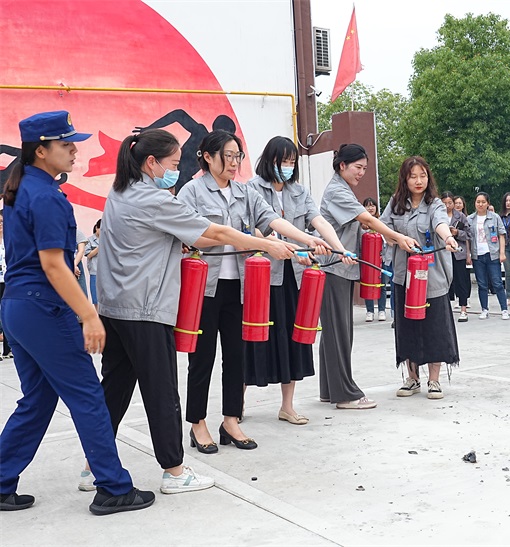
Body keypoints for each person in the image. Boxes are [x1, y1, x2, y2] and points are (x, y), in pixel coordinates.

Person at [95, 128, 297, 493]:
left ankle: (95, 465)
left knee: (114, 390)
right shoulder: (155, 198)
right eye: (173, 164)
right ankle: (174, 471)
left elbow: (197, 237)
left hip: (115, 307)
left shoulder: (119, 191)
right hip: (145, 307)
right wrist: (266, 245)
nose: (176, 170)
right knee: (162, 391)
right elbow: (215, 234)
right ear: (151, 162)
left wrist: (275, 242)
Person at [0, 111, 154, 514]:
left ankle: (0, 481)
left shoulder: (22, 189)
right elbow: (53, 265)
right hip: (44, 308)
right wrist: (88, 314)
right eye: (65, 144)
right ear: (41, 150)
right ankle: (114, 487)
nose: (74, 149)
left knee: (37, 399)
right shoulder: (45, 196)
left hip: (18, 309)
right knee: (88, 396)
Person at [177, 132, 331, 446]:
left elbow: (271, 219)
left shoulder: (244, 192)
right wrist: (258, 243)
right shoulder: (191, 192)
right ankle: (198, 424)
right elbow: (194, 236)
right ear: (207, 156)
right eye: (228, 156)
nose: (234, 163)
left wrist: (307, 239)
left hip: (242, 289)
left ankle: (231, 421)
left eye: (238, 157)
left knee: (237, 356)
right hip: (204, 290)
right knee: (202, 358)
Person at [243, 136, 351, 426]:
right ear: (270, 161)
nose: (288, 167)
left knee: (292, 340)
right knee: (251, 339)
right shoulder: (251, 189)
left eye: (292, 162)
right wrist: (289, 248)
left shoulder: (300, 192)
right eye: (283, 161)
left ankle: (287, 406)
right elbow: (254, 229)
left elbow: (318, 221)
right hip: (262, 277)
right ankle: (236, 402)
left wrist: (338, 248)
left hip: (293, 278)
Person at [319, 144, 418, 410]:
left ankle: (330, 389)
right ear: (343, 165)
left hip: (339, 268)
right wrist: (397, 237)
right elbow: (368, 219)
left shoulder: (343, 189)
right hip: (333, 267)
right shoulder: (337, 191)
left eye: (365, 168)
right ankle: (344, 394)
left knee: (335, 330)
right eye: (358, 167)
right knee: (339, 331)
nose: (362, 173)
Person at [381, 156, 459, 399]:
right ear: (405, 178)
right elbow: (383, 228)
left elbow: (440, 224)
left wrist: (447, 238)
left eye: (422, 175)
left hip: (431, 277)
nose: (418, 181)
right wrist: (397, 239)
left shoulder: (434, 204)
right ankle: (412, 378)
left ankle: (434, 381)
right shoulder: (396, 203)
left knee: (434, 326)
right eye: (413, 176)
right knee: (407, 327)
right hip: (404, 277)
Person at [467, 192, 510, 320]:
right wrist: (468, 254)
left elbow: (502, 235)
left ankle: (504, 309)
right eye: (478, 202)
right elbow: (467, 239)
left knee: (497, 283)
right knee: (482, 284)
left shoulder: (495, 217)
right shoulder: (470, 219)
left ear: (488, 203)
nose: (480, 204)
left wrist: (502, 253)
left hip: (492, 254)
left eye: (483, 202)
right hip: (477, 255)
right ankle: (484, 309)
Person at [441, 191, 471, 322]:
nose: (447, 206)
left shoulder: (461, 216)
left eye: (450, 203)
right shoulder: (438, 216)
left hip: (458, 252)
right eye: (444, 203)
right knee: (445, 281)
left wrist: (457, 232)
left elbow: (469, 234)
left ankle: (463, 309)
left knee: (461, 280)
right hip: (442, 252)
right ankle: (445, 310)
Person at [360, 197, 388, 322]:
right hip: (367, 260)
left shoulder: (381, 222)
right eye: (367, 206)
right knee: (368, 284)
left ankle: (381, 310)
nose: (370, 208)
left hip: (381, 259)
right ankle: (369, 311)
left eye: (372, 206)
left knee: (381, 284)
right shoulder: (360, 224)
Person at [0, 210, 11, 359]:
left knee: (7, 313)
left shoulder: (9, 240)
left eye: (2, 222)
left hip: (9, 280)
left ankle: (8, 349)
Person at [84, 219, 101, 310]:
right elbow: (88, 255)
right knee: (95, 297)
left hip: (106, 272)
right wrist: (100, 246)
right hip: (94, 271)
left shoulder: (109, 240)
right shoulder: (89, 240)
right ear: (96, 228)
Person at [74, 228, 88, 297]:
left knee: (82, 293)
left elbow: (81, 251)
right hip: (62, 263)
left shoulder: (77, 233)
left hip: (76, 263)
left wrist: (74, 264)